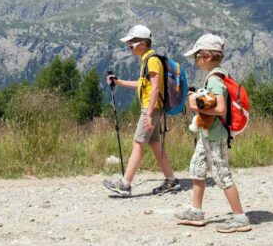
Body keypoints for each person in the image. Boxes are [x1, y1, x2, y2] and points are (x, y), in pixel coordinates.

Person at [174, 33, 251, 233]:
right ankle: (196, 211)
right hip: (207, 133)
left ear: (207, 56)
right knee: (197, 167)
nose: (195, 60)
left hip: (215, 135)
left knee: (221, 174)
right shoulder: (219, 74)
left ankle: (240, 218)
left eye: (197, 56)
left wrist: (194, 106)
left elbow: (220, 109)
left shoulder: (215, 79)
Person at [102, 24, 181, 196]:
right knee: (154, 143)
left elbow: (155, 88)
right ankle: (171, 180)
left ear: (143, 44)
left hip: (151, 109)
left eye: (131, 45)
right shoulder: (147, 60)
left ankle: (125, 184)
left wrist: (149, 114)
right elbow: (143, 85)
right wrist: (119, 82)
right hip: (153, 108)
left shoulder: (151, 60)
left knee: (138, 143)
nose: (129, 48)